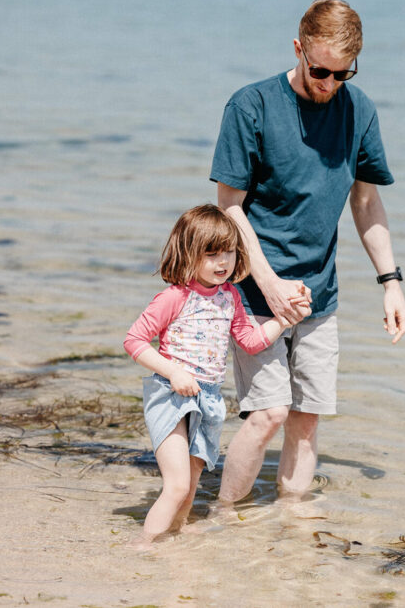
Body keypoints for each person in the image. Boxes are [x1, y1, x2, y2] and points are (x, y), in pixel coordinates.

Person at [210, 0, 405, 508]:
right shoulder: (250, 106)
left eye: (343, 74)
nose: (329, 84)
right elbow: (229, 209)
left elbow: (365, 202)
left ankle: (291, 532)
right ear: (299, 49)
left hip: (320, 296)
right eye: (320, 70)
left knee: (306, 418)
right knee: (268, 414)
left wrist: (392, 283)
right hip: (255, 291)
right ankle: (223, 518)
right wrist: (271, 284)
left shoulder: (358, 109)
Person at [123, 204, 310, 546]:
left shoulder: (231, 297)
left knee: (193, 478)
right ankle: (143, 546)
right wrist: (173, 372)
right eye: (212, 254)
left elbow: (251, 342)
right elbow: (134, 340)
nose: (223, 261)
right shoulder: (174, 298)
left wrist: (284, 320)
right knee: (177, 483)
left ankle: (177, 530)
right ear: (188, 254)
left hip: (206, 397)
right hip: (170, 395)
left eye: (228, 252)